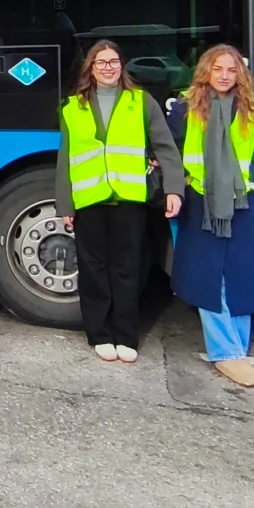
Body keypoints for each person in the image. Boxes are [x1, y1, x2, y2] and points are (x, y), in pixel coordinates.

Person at [57, 33, 179, 363]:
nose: (108, 68)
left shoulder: (141, 102)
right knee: (92, 270)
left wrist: (173, 188)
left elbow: (165, 147)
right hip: (89, 200)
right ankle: (99, 334)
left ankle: (126, 336)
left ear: (122, 66)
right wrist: (65, 203)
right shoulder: (73, 106)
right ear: (91, 68)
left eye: (113, 62)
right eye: (101, 63)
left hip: (129, 199)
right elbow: (65, 158)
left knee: (127, 270)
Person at [166, 40, 254, 388]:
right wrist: (181, 185)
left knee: (241, 276)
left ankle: (236, 348)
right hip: (201, 202)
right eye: (218, 69)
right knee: (211, 279)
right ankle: (225, 352)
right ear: (206, 71)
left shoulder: (253, 108)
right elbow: (169, 152)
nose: (225, 76)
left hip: (243, 202)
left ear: (240, 74)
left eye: (232, 70)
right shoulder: (184, 108)